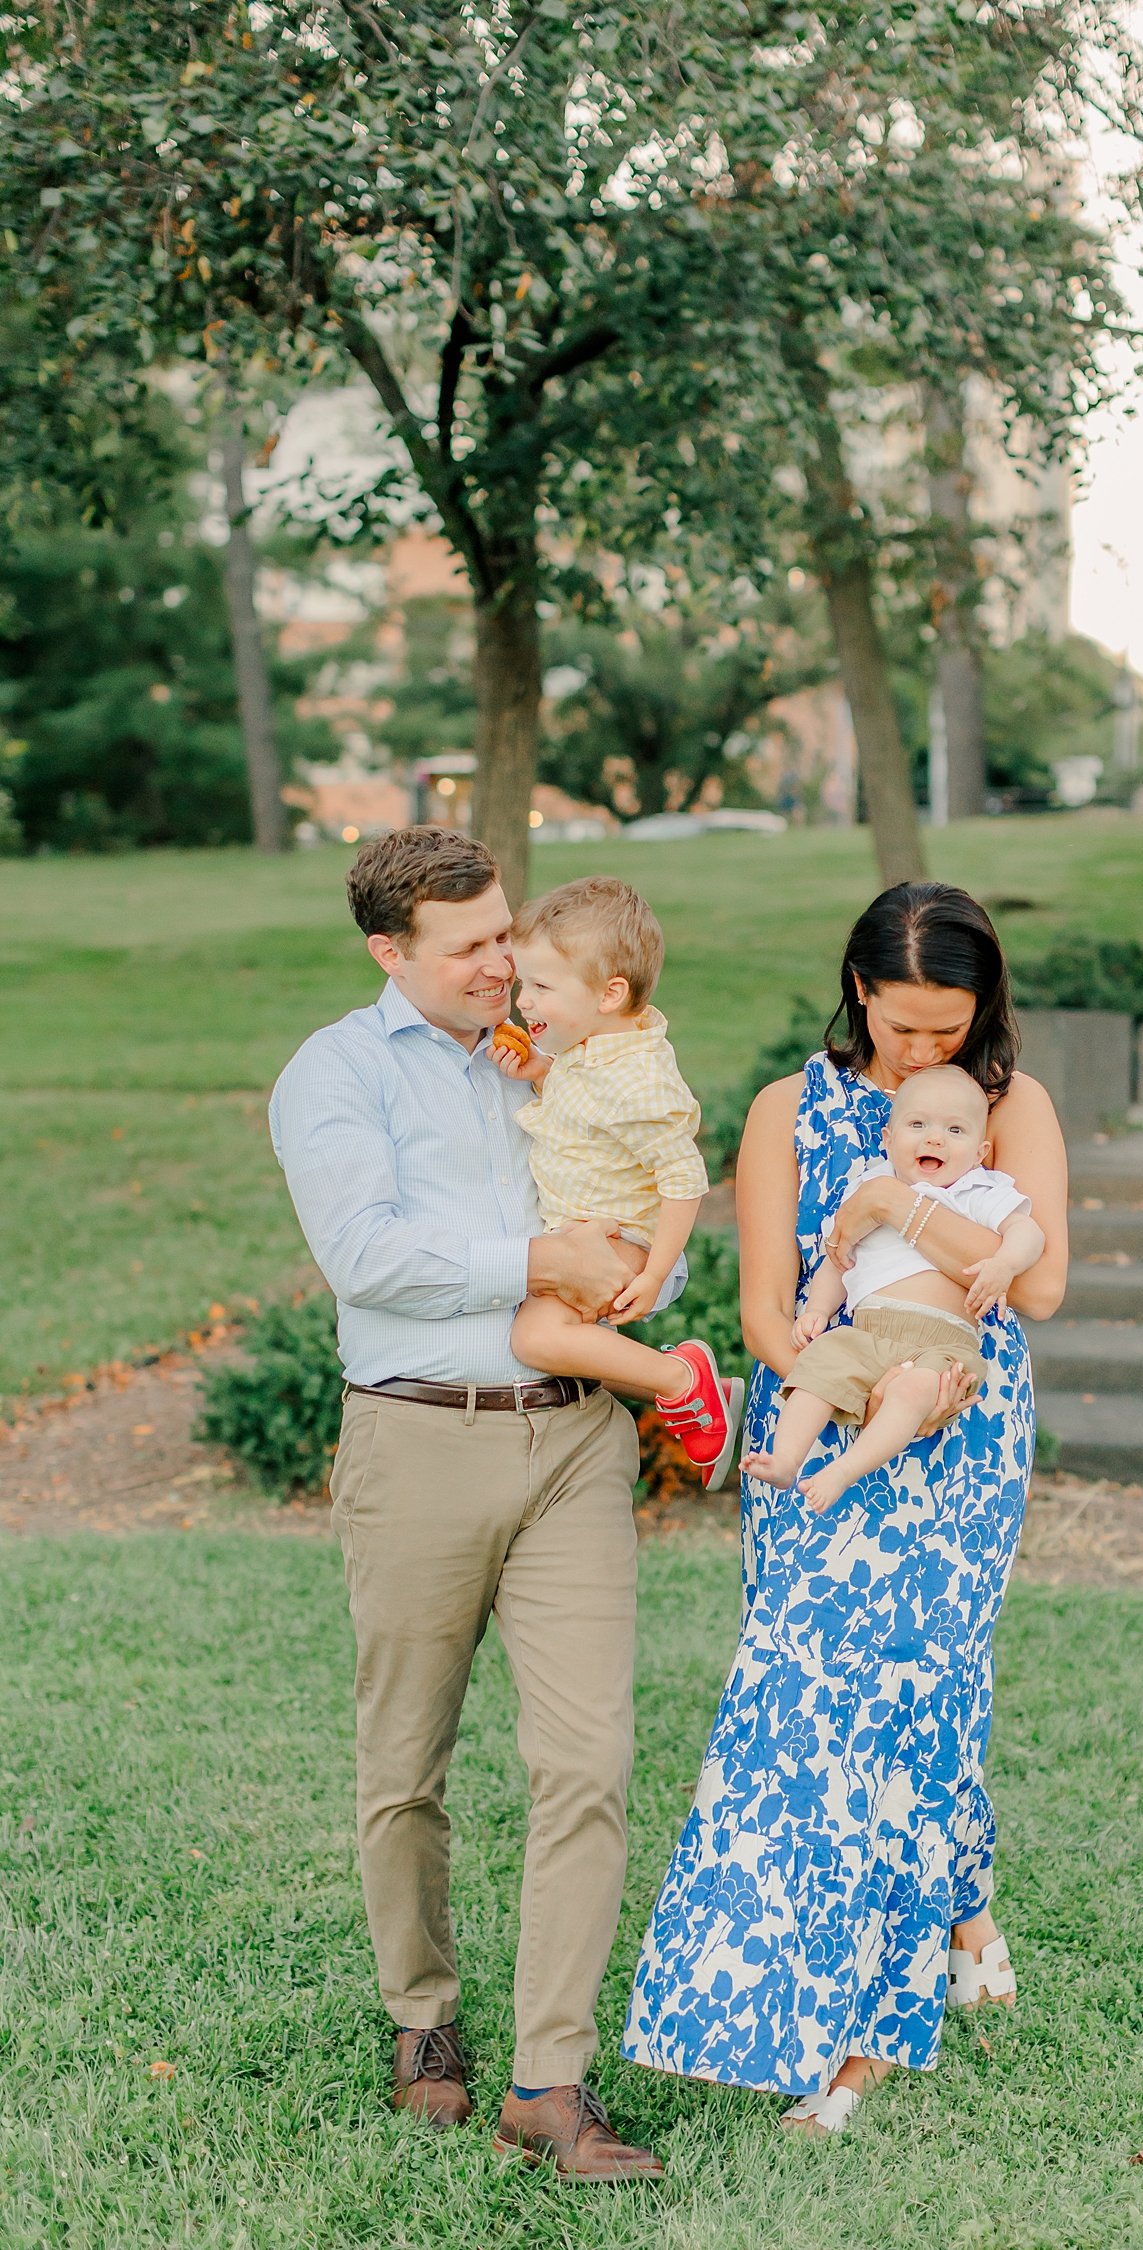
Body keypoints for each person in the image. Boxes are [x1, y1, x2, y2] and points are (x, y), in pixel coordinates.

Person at [623, 882, 1068, 2134]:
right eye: (906, 1026)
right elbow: (768, 1309)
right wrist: (841, 1351)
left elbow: (1040, 1286)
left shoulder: (1011, 1103)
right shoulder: (786, 1107)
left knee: (922, 1690)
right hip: (823, 1413)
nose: (926, 1054)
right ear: (861, 988)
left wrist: (893, 1207)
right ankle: (947, 1929)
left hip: (965, 1429)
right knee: (805, 1693)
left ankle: (860, 2031)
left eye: (952, 1027)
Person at [268, 825, 668, 2182]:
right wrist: (533, 1255)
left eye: (506, 931)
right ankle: (423, 2021)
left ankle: (551, 2080)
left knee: (588, 1762)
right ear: (392, 951)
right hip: (417, 1441)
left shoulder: (555, 1048)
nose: (504, 962)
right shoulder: (334, 1074)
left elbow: (626, 1198)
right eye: (472, 946)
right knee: (407, 1765)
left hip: (575, 1443)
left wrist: (627, 1272)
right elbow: (367, 1255)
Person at [495, 876, 743, 1490]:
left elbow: (685, 1180)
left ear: (610, 993)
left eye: (542, 986)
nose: (524, 1000)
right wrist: (540, 1073)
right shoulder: (592, 1048)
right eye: (526, 982)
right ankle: (698, 1393)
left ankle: (683, 1381)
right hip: (594, 1234)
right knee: (556, 1341)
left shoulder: (640, 1081)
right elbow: (589, 1121)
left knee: (537, 1336)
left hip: (623, 1241)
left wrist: (654, 1271)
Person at [742, 1065, 1045, 1513]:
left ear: (981, 1151)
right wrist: (818, 1311)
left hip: (943, 1340)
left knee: (915, 1392)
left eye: (954, 1129)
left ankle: (844, 1470)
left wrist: (1005, 1263)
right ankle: (787, 1459)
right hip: (868, 1329)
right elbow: (839, 1259)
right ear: (887, 1136)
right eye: (917, 1124)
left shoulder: (979, 1190)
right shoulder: (867, 1188)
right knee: (819, 1368)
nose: (934, 1139)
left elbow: (1029, 1232)